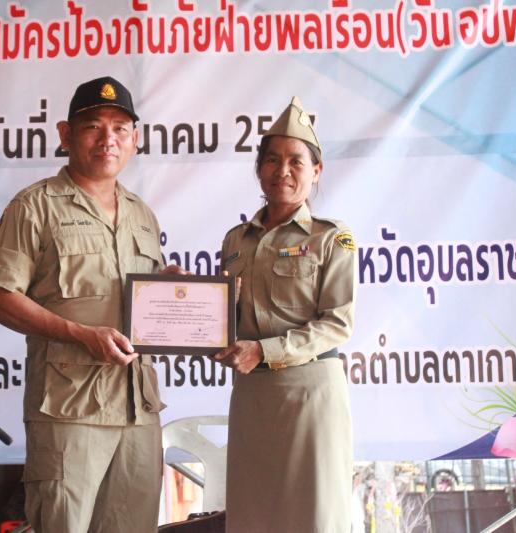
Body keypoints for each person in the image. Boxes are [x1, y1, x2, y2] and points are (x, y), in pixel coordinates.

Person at [0, 76, 183, 533]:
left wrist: (167, 290)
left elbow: (137, 303)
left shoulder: (142, 215)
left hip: (137, 408)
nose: (108, 139)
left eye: (120, 128)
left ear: (135, 139)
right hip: (69, 408)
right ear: (66, 135)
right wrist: (80, 335)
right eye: (93, 127)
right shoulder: (35, 206)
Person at [213, 96, 356, 532]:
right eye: (272, 160)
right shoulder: (235, 240)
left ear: (317, 171)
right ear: (258, 168)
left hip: (310, 396)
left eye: (296, 161)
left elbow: (338, 323)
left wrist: (265, 350)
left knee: (315, 517)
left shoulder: (333, 239)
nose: (283, 171)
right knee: (253, 517)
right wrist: (192, 302)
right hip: (252, 397)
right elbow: (222, 325)